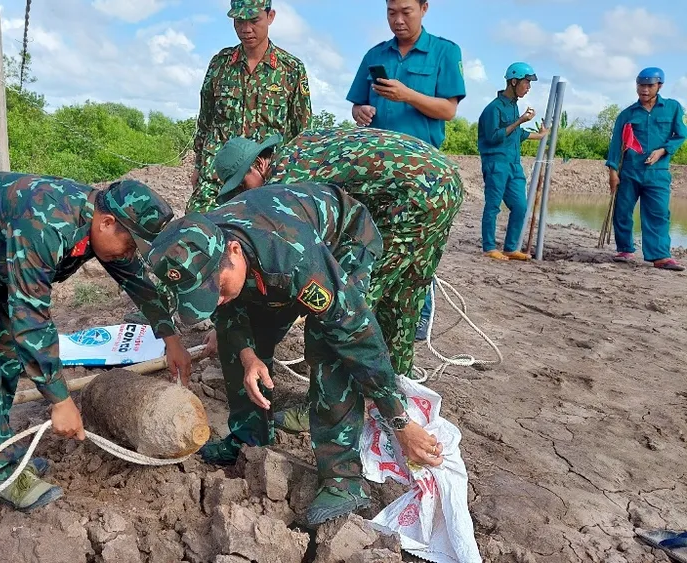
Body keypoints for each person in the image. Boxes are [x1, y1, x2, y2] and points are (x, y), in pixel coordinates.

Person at [0, 173, 194, 512]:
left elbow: (136, 280)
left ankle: (1, 450)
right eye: (131, 244)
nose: (130, 253)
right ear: (107, 223)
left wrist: (171, 339)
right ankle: (1, 470)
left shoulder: (101, 222)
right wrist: (60, 400)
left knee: (8, 352)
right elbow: (30, 319)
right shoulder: (48, 223)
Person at [146, 184, 445, 526]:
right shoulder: (203, 241)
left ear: (233, 251)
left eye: (215, 289)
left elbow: (356, 337)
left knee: (329, 345)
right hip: (269, 260)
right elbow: (228, 311)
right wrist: (248, 356)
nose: (214, 300)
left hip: (343, 241)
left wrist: (400, 422)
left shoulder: (293, 257)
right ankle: (249, 437)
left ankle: (343, 480)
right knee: (235, 337)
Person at [209, 126, 463, 433]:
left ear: (258, 165)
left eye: (242, 184)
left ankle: (332, 405)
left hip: (408, 200)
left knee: (346, 308)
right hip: (443, 183)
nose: (244, 195)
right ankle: (400, 384)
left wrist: (241, 331)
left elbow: (302, 275)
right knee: (404, 295)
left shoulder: (283, 185)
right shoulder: (300, 146)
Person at [345, 0, 466, 340]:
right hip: (375, 169)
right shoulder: (375, 55)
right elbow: (357, 102)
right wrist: (361, 111)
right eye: (391, 12)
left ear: (424, 8)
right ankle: (370, 316)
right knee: (372, 240)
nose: (397, 20)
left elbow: (447, 110)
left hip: (423, 174)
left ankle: (415, 325)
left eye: (406, 12)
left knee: (416, 250)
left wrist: (408, 95)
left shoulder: (444, 51)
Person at [187, 0, 312, 215]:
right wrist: (198, 166)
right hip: (217, 176)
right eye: (239, 21)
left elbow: (302, 131)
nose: (246, 29)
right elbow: (205, 119)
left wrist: (291, 179)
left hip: (263, 180)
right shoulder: (220, 64)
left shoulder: (291, 69)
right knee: (197, 232)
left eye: (254, 20)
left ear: (270, 16)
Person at [607, 67, 686, 271]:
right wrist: (613, 172)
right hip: (629, 172)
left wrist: (663, 150)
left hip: (658, 173)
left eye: (649, 85)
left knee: (658, 213)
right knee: (622, 211)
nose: (644, 90)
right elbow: (616, 144)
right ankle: (625, 249)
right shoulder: (627, 114)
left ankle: (660, 256)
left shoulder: (673, 108)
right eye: (641, 85)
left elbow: (680, 135)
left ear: (659, 86)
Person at [477, 62, 550, 261]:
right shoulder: (493, 109)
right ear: (514, 81)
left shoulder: (513, 107)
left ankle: (510, 248)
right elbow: (494, 136)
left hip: (514, 164)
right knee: (493, 206)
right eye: (526, 83)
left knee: (520, 206)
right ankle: (489, 247)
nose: (528, 87)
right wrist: (519, 121)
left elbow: (517, 134)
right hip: (496, 163)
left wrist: (541, 135)